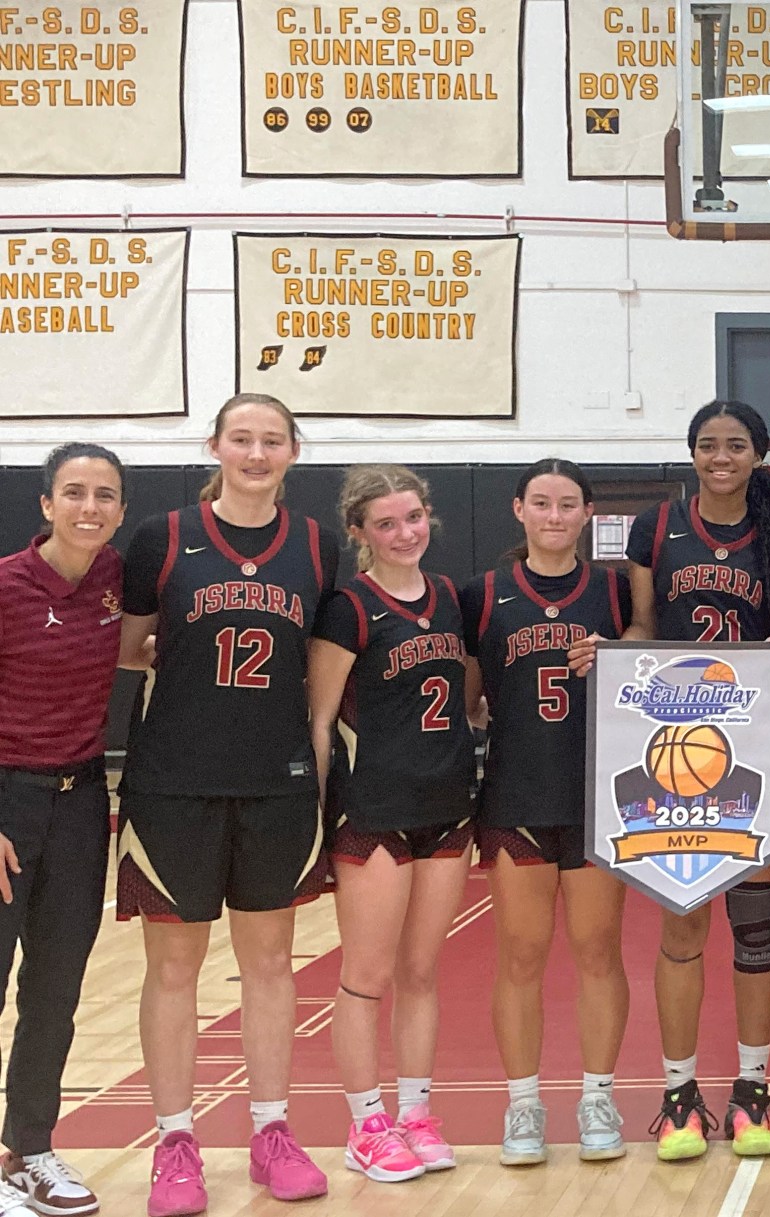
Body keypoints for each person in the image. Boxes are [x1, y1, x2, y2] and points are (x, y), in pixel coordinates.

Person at [116, 395, 339, 1216]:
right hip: (173, 781)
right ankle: (176, 1143)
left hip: (275, 783)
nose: (255, 453)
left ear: (292, 452)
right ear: (213, 445)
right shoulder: (162, 537)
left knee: (271, 966)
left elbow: (325, 668)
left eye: (271, 441)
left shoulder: (318, 544)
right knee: (173, 970)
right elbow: (128, 647)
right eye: (240, 439)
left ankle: (272, 1131)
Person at [601, 400, 770, 1160]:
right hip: (674, 741)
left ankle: (753, 1087)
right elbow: (641, 625)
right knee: (683, 919)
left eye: (734, 445)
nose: (719, 456)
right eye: (706, 445)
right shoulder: (656, 529)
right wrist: (611, 656)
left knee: (755, 924)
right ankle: (679, 1091)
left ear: (758, 454)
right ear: (691, 452)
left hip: (758, 747)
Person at [307, 465, 478, 1184]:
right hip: (373, 811)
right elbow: (319, 720)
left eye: (413, 517)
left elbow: (466, 695)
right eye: (386, 523)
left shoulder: (447, 597)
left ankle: (415, 1112)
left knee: (421, 971)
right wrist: (313, 825)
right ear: (359, 532)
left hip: (447, 808)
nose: (404, 532)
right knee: (367, 975)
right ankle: (365, 1123)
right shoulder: (348, 605)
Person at [462, 460, 633, 1168]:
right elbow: (469, 703)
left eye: (568, 504)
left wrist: (618, 657)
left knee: (598, 951)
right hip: (516, 797)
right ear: (519, 510)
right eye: (542, 503)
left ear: (588, 513)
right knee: (522, 954)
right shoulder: (485, 594)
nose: (555, 515)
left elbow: (650, 683)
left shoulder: (615, 593)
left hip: (597, 798)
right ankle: (523, 1103)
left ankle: (598, 1095)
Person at [0, 445, 127, 1217]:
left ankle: (30, 1150)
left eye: (105, 494)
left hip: (82, 802)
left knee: (54, 989)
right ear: (45, 504)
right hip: (5, 802)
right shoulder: (6, 584)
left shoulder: (117, 581)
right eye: (73, 492)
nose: (90, 506)